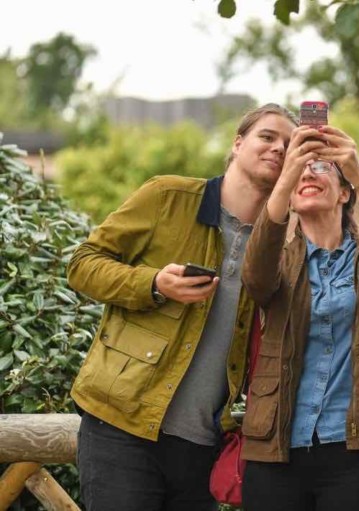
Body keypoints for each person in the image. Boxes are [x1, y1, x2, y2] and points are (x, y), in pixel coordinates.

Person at [66, 103, 298, 511]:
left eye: (289, 144)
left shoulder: (282, 243)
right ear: (238, 143)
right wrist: (153, 283)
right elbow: (82, 264)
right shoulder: (166, 197)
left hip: (203, 445)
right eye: (267, 136)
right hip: (122, 425)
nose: (278, 148)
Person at [240, 123, 359, 511]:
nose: (309, 173)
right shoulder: (277, 263)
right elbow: (255, 277)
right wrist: (288, 172)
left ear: (345, 193)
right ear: (288, 198)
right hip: (277, 450)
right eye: (301, 172)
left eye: (322, 168)